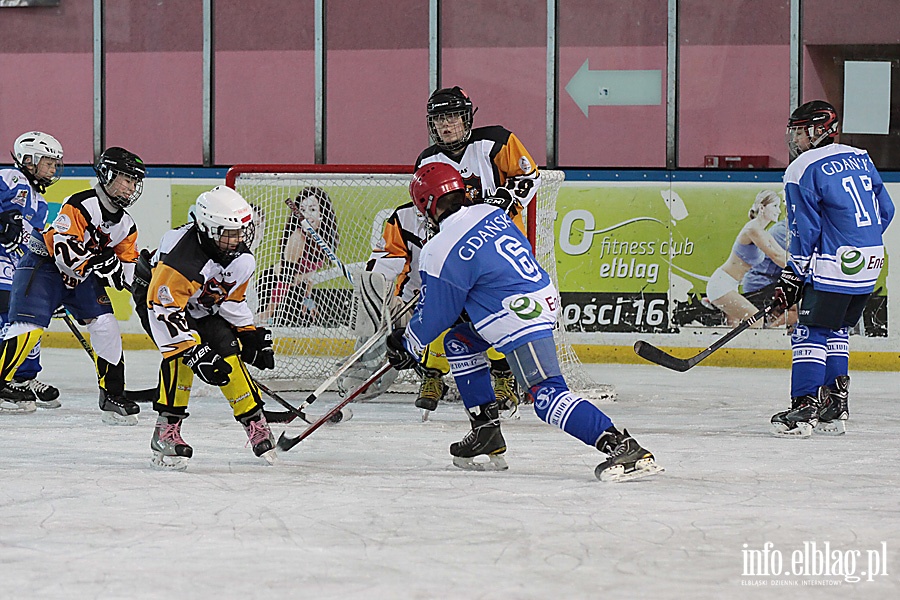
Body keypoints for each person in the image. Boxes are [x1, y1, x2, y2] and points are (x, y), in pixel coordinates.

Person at [386, 162, 663, 481]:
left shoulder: (439, 247)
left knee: (546, 397)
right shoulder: (488, 213)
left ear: (427, 205)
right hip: (536, 296)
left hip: (519, 314)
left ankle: (622, 446)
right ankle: (485, 431)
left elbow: (437, 314)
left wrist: (407, 344)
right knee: (459, 341)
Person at [411, 86, 543, 415]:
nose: (446, 125)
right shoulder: (427, 160)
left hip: (497, 247)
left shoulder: (496, 141)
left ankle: (504, 377)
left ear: (467, 117)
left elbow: (529, 175)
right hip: (457, 250)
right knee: (445, 310)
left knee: (495, 313)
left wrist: (505, 198)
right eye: (439, 119)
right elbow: (427, 208)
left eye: (453, 117)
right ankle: (433, 374)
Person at [769, 100, 894, 437]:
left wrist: (794, 272)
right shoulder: (860, 156)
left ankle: (805, 406)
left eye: (801, 131)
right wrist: (857, 243)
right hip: (869, 261)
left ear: (820, 129)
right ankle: (834, 407)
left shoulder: (802, 167)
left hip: (836, 264)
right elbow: (886, 209)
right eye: (794, 131)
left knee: (810, 332)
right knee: (836, 329)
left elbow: (804, 229)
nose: (796, 138)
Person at [0, 147, 146, 424]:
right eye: (126, 179)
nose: (131, 187)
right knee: (28, 329)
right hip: (43, 267)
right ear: (107, 175)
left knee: (106, 325)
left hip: (81, 276)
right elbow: (65, 254)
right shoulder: (81, 203)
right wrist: (103, 263)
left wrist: (140, 279)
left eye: (134, 181)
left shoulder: (126, 225)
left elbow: (126, 268)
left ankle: (112, 394)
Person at [141, 186, 276, 470]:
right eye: (228, 233)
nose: (237, 239)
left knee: (227, 347)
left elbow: (231, 300)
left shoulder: (241, 258)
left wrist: (247, 333)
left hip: (195, 302)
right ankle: (165, 431)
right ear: (206, 228)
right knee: (179, 358)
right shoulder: (181, 260)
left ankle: (255, 422)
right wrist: (193, 351)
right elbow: (165, 311)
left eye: (240, 231)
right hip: (156, 299)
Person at [0, 132, 64, 413]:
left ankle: (23, 376)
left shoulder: (38, 201)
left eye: (54, 164)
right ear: (28, 160)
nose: (52, 169)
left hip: (17, 269)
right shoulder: (10, 179)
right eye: (48, 163)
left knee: (26, 321)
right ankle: (7, 378)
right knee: (7, 317)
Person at [257, 186, 339, 326]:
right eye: (302, 210)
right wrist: (268, 312)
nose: (306, 215)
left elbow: (310, 274)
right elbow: (286, 278)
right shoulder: (297, 238)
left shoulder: (325, 239)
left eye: (312, 210)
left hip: (297, 288)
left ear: (323, 213)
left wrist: (307, 298)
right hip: (275, 286)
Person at [705, 190, 786, 325]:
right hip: (721, 285)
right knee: (757, 321)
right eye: (775, 206)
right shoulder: (753, 230)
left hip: (731, 285)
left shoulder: (762, 232)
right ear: (762, 208)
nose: (779, 211)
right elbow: (776, 256)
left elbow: (783, 254)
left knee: (735, 332)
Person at [740, 218, 796, 328]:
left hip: (770, 280)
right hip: (761, 283)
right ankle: (770, 334)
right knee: (797, 308)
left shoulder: (791, 229)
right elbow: (788, 262)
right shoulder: (783, 232)